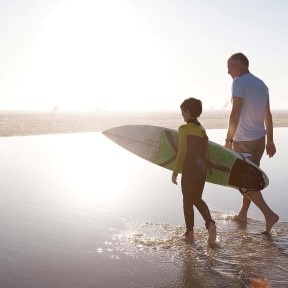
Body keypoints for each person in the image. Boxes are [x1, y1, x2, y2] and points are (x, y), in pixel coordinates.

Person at [225, 52, 279, 234]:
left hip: (244, 140)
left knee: (243, 181)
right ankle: (243, 214)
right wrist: (270, 140)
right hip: (259, 141)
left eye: (230, 66)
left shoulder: (239, 82)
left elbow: (235, 112)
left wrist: (228, 139)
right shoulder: (262, 85)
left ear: (240, 64)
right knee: (250, 177)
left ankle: (269, 215)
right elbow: (268, 115)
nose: (228, 71)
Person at [172, 97, 217, 243]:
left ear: (189, 111)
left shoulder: (183, 128)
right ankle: (210, 224)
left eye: (183, 111)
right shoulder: (201, 128)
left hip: (190, 168)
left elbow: (182, 152)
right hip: (202, 167)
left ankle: (189, 232)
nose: (182, 114)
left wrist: (175, 172)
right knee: (196, 198)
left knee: (187, 200)